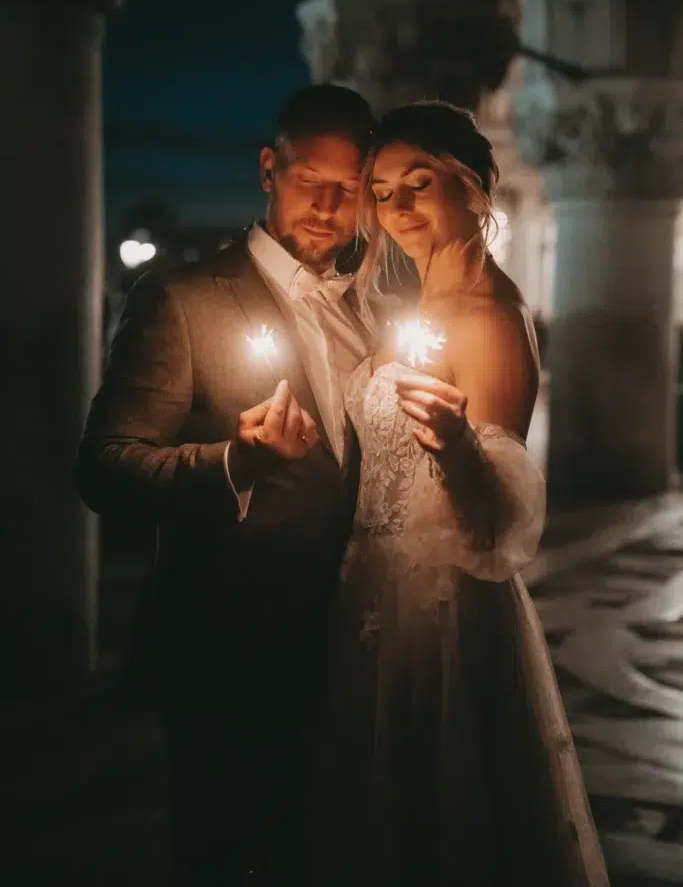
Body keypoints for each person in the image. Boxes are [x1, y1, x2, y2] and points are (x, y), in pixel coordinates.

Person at [304, 102, 610, 885]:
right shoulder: (408, 311)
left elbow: (492, 529)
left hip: (440, 606)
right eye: (380, 191)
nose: (397, 207)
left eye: (420, 183)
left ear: (477, 189)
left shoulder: (488, 319)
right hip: (361, 587)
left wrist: (454, 447)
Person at [76, 84, 376, 885]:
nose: (326, 203)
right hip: (227, 641)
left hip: (359, 645)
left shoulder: (373, 315)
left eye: (348, 189)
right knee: (223, 852)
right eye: (310, 176)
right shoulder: (179, 300)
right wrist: (233, 463)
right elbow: (105, 466)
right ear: (268, 168)